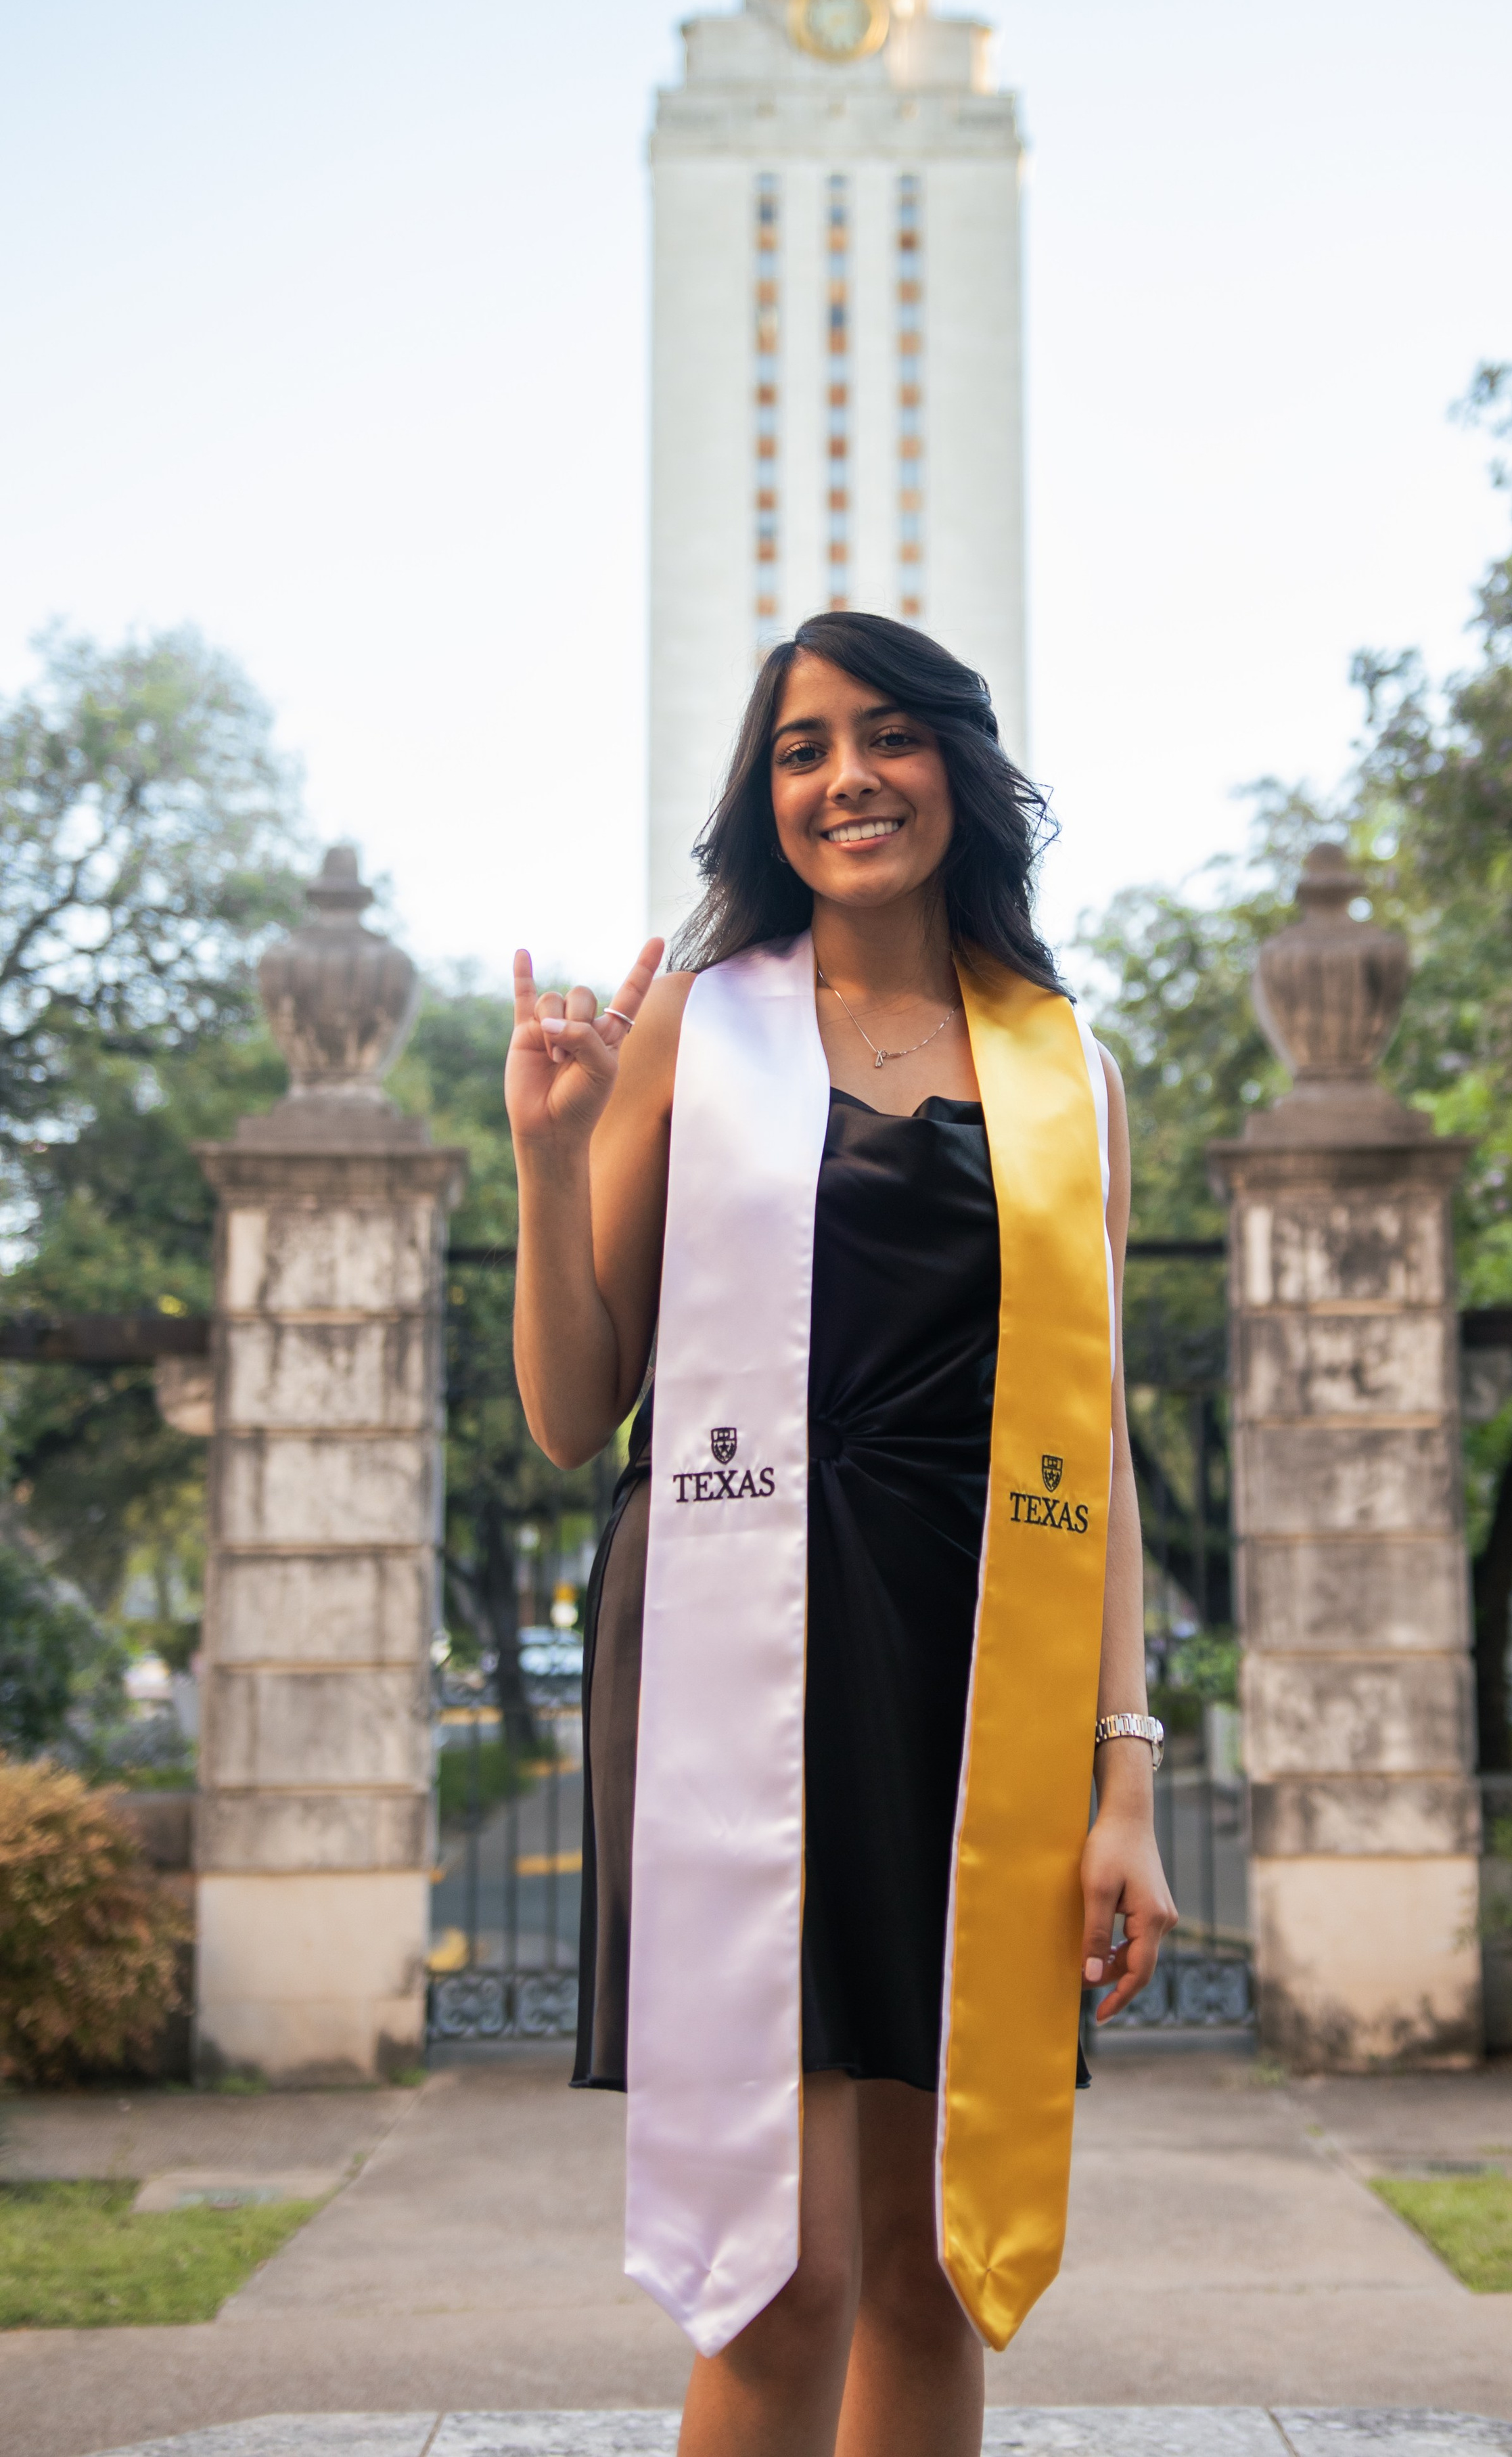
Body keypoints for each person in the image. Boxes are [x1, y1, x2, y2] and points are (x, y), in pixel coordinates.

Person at [506, 611, 1176, 2457]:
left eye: (887, 734)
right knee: (782, 2268)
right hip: (732, 1647)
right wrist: (550, 1159)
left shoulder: (1068, 1070)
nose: (846, 778)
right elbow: (572, 1409)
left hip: (977, 1663)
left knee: (932, 2259)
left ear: (959, 767)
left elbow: (1096, 1447)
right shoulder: (696, 1028)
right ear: (765, 797)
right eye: (802, 748)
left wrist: (1126, 1778)